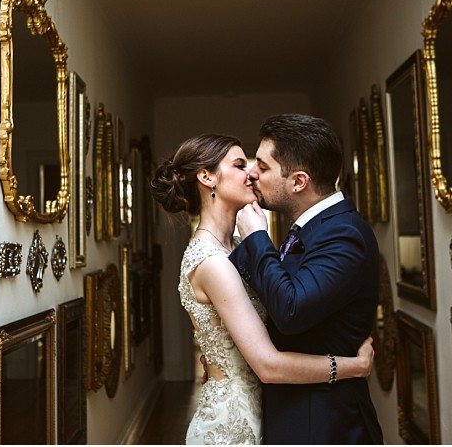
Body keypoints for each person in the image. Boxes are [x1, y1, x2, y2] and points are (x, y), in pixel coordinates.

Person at [151, 133, 375, 445]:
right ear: (206, 177)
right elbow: (267, 365)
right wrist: (353, 367)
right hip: (233, 423)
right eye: (240, 165)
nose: (252, 173)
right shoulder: (211, 261)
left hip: (264, 412)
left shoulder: (240, 246)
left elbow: (280, 307)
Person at [230, 114, 384, 444]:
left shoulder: (344, 234)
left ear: (299, 181)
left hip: (322, 422)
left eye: (264, 166)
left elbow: (290, 311)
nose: (253, 173)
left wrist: (257, 236)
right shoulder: (310, 227)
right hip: (293, 411)